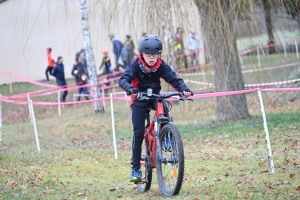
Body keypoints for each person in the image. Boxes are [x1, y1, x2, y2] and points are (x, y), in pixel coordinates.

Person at [119, 35, 192, 183]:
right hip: (139, 98)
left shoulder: (161, 65)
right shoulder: (135, 65)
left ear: (159, 54)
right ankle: (136, 170)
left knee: (163, 105)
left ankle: (167, 137)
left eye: (155, 54)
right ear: (142, 54)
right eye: (148, 54)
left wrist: (184, 89)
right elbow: (123, 79)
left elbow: (174, 79)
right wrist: (130, 88)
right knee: (138, 133)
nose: (151, 57)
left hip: (154, 97)